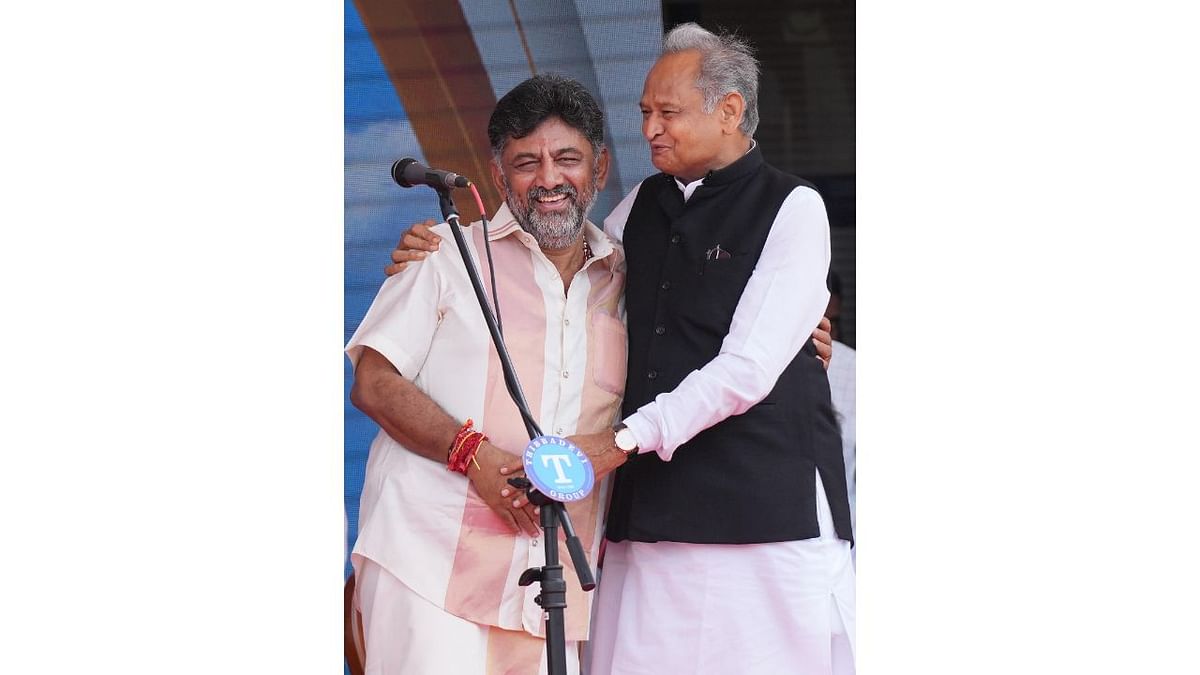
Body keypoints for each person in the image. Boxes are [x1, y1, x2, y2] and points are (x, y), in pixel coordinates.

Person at [386, 25, 851, 674]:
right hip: (647, 519)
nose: (651, 129)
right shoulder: (634, 211)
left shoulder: (792, 207)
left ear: (729, 110)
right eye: (643, 114)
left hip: (761, 510)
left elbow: (747, 368)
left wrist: (619, 442)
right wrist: (433, 245)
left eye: (668, 113)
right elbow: (585, 295)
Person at [345, 74, 634, 675]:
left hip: (553, 584)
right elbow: (374, 382)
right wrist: (470, 453)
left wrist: (804, 334)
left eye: (567, 159)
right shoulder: (446, 255)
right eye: (526, 163)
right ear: (500, 178)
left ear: (600, 169)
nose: (549, 179)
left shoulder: (629, 280)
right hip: (427, 563)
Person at [826, 270, 857, 561]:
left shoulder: (854, 369)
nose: (825, 332)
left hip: (847, 549)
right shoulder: (751, 372)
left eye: (831, 322)